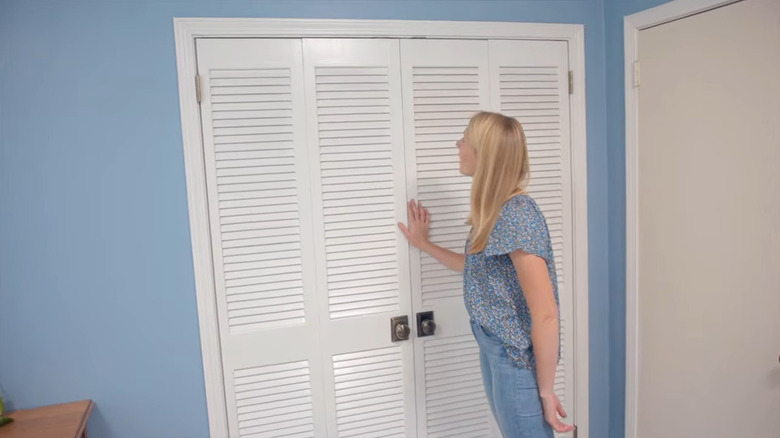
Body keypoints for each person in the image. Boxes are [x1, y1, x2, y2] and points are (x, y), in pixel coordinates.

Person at [398, 111, 574, 437]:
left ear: (485, 154)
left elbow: (546, 314)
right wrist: (424, 244)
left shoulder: (518, 214)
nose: (458, 144)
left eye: (465, 139)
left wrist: (546, 391)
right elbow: (477, 270)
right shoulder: (494, 211)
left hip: (512, 358)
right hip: (492, 347)